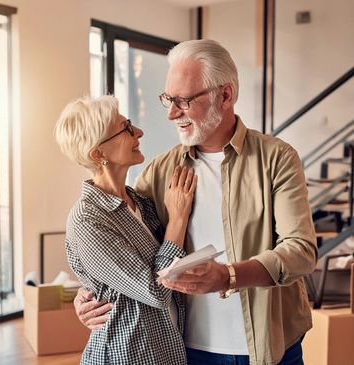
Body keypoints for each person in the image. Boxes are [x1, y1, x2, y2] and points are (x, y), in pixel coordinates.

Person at [74, 40, 317, 365]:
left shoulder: (276, 159)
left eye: (184, 101)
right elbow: (127, 253)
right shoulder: (159, 172)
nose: (172, 113)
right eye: (168, 100)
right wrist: (88, 294)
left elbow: (301, 250)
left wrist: (229, 275)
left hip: (271, 345)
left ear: (225, 95)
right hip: (187, 350)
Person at [54, 94, 197, 364]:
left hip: (163, 350)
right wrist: (178, 219)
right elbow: (156, 291)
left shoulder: (140, 201)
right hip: (127, 355)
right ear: (98, 154)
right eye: (126, 129)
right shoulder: (87, 219)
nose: (139, 132)